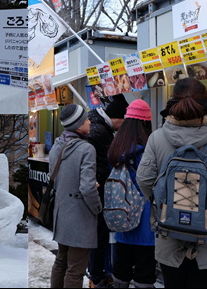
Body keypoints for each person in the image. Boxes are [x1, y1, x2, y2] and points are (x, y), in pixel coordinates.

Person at [137, 78, 207, 288]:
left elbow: (143, 180)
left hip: (169, 238)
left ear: (172, 103)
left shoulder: (157, 137)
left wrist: (163, 201)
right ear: (206, 102)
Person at [50, 104, 102, 288]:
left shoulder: (58, 144)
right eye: (86, 119)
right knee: (76, 269)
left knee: (61, 261)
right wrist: (97, 208)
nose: (89, 122)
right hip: (79, 216)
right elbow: (87, 188)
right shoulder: (86, 149)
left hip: (61, 213)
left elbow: (56, 178)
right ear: (79, 125)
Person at [107, 99, 156, 288]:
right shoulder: (147, 150)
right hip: (145, 221)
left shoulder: (116, 148)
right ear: (145, 123)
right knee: (145, 271)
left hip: (122, 215)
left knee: (121, 269)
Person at [87, 94, 129, 288]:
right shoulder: (100, 131)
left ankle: (97, 273)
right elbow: (110, 161)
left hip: (96, 188)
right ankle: (96, 276)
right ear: (117, 119)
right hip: (98, 190)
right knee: (99, 235)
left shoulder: (96, 124)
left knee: (98, 235)